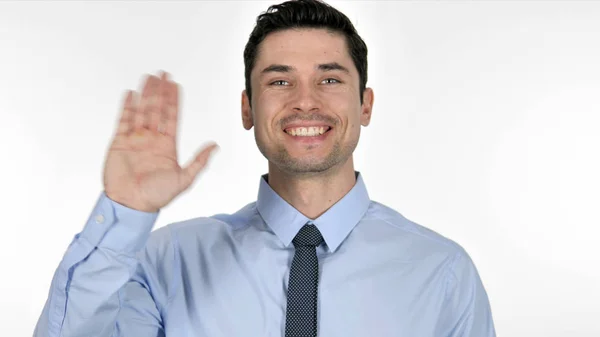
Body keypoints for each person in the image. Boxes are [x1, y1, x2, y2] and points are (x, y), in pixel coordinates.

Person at [34, 0, 496, 336]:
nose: (305, 101)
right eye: (280, 80)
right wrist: (124, 211)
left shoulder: (443, 272)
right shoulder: (168, 261)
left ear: (366, 104)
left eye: (330, 78)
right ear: (247, 108)